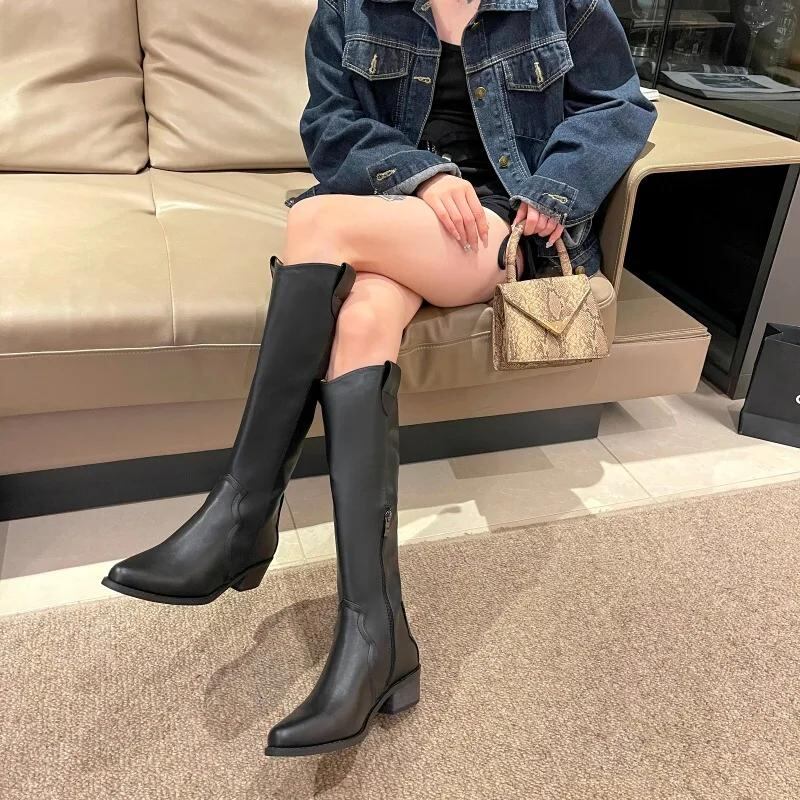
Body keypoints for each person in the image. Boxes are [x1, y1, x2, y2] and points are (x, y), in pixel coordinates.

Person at [101, 0, 657, 757]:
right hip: (397, 210)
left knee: (315, 222)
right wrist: (422, 178)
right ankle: (376, 638)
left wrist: (558, 189)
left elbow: (620, 103)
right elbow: (328, 121)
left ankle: (242, 515)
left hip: (497, 222)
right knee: (361, 324)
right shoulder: (353, 6)